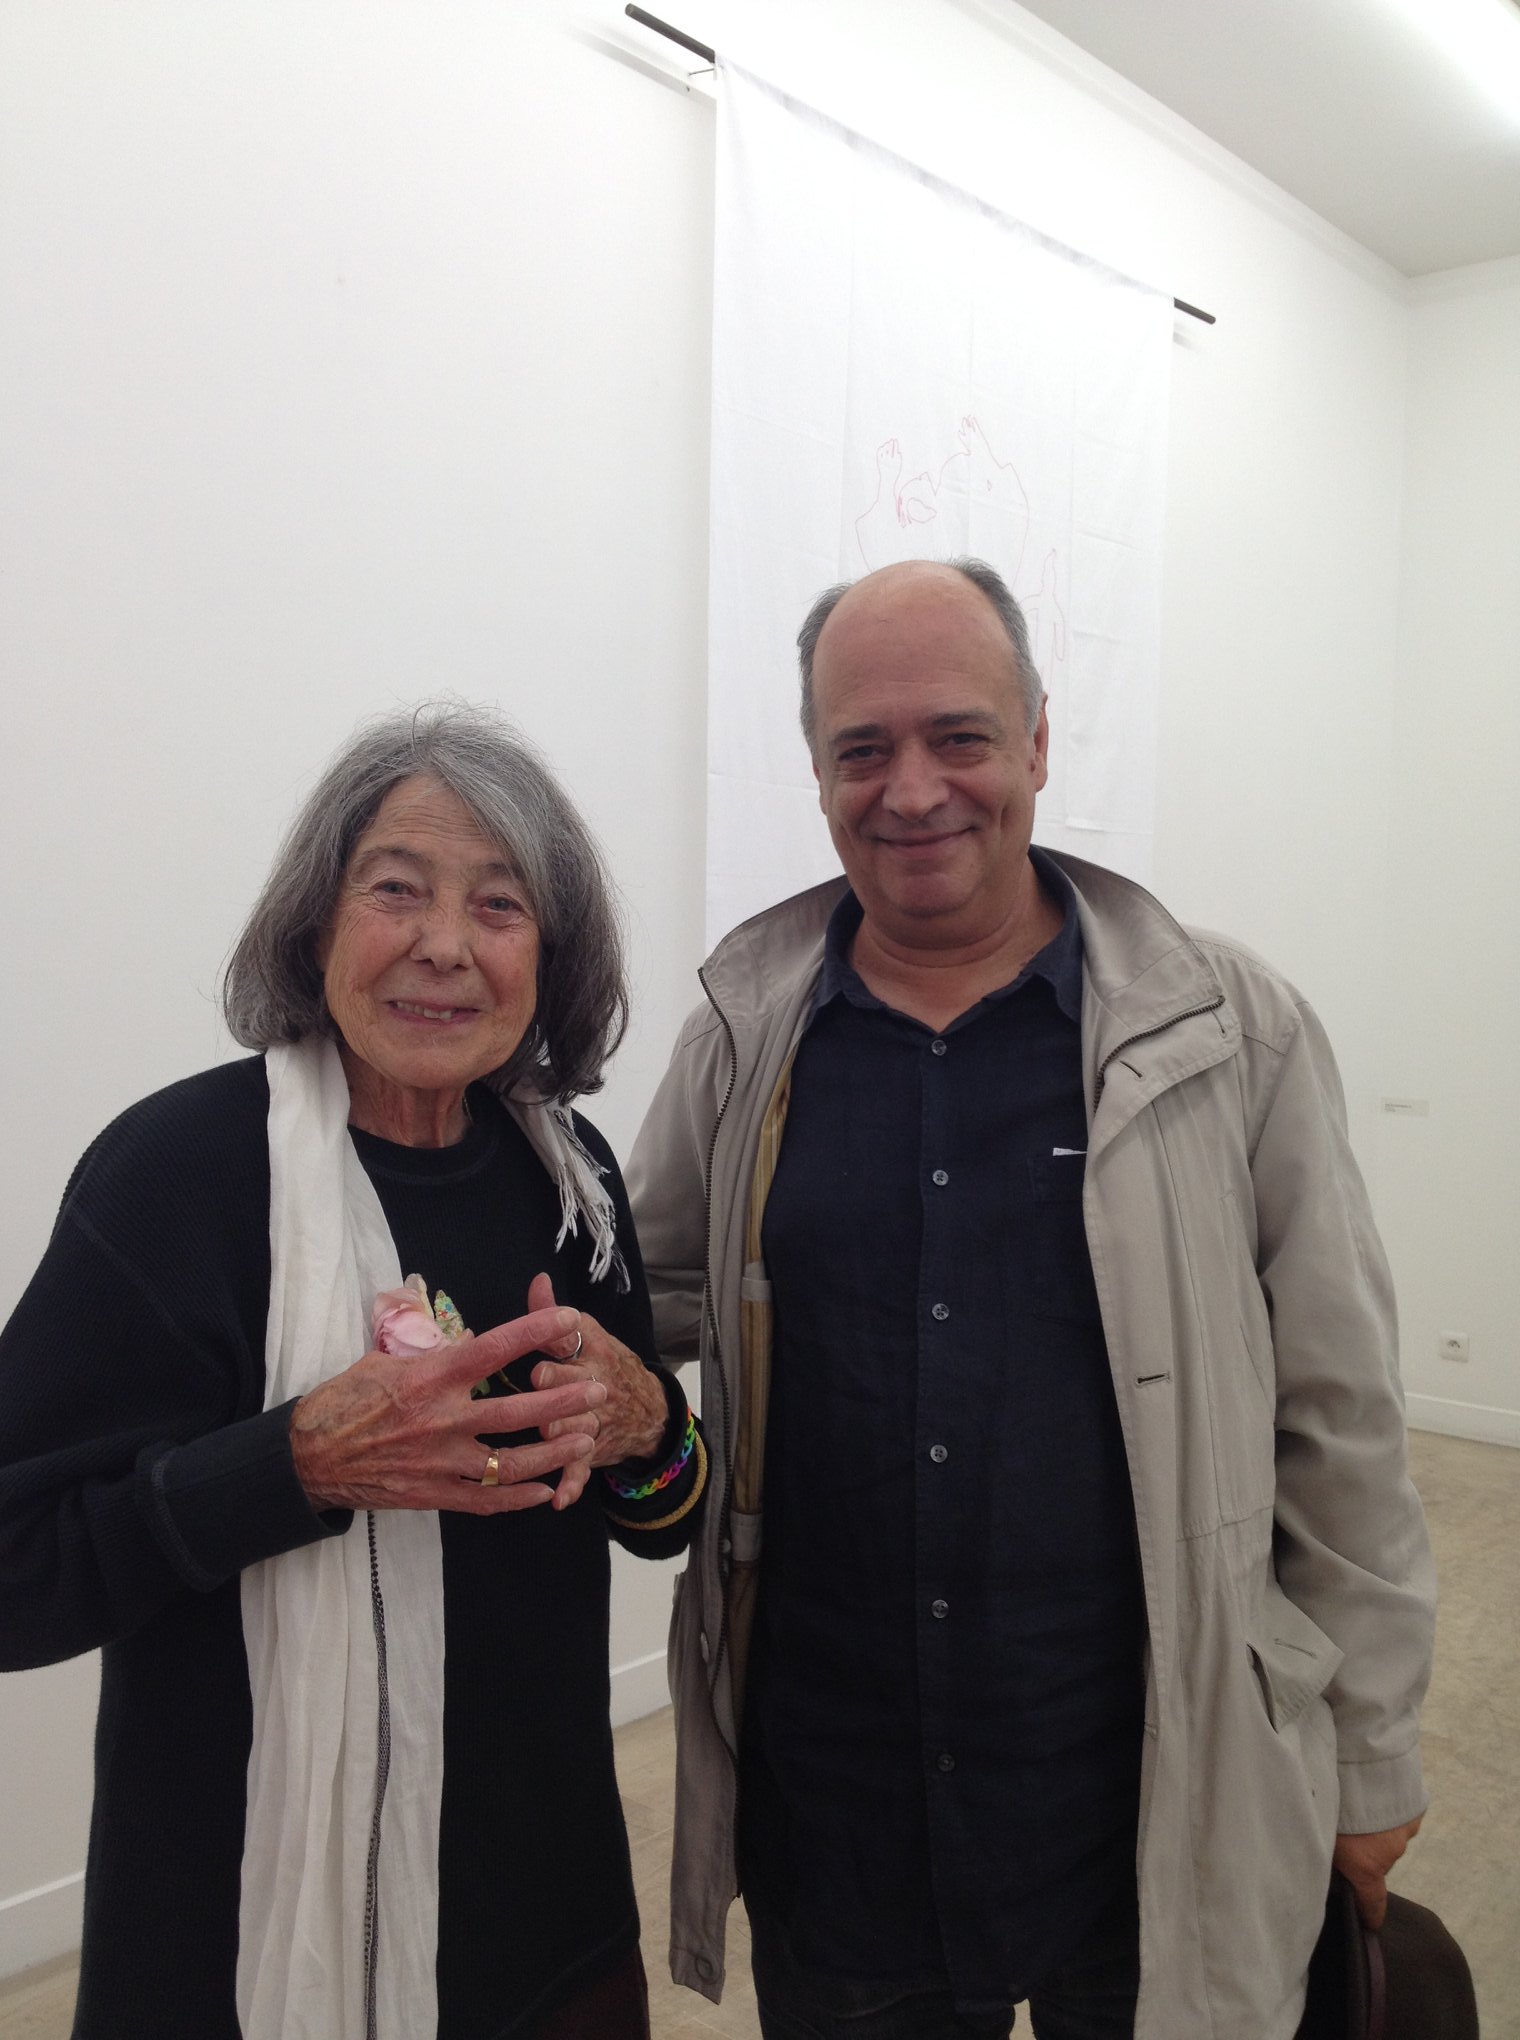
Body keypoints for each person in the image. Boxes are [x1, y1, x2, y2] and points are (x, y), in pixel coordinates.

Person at [626, 559, 1435, 2039]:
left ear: (1042, 742)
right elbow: (648, 1290)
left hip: (1145, 1802)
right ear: (818, 775)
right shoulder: (744, 1041)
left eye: (961, 736)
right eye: (862, 749)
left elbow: (1342, 1415)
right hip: (840, 1809)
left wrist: (1371, 1753)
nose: (912, 789)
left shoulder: (1227, 1034)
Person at [0, 703, 707, 2040]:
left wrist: (646, 1419)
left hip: (544, 1919)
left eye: (498, 904)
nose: (444, 943)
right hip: (233, 1945)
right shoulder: (178, 1180)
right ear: (316, 920)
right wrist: (294, 1464)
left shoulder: (572, 1181)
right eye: (397, 889)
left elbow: (664, 1521)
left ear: (549, 956)